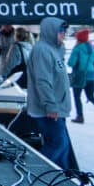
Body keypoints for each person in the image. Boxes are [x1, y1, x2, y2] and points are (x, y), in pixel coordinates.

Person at [26, 17, 73, 169]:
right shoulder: (42, 50)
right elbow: (43, 81)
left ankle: (62, 178)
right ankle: (37, 171)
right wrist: (50, 106)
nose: (63, 34)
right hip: (48, 110)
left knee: (62, 146)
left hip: (57, 108)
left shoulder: (53, 49)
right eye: (60, 31)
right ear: (51, 31)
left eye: (64, 31)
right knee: (58, 144)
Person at [68, 28, 94, 124]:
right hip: (92, 76)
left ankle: (80, 116)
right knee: (91, 97)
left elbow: (71, 63)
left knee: (77, 96)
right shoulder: (93, 50)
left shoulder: (77, 48)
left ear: (79, 39)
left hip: (79, 75)